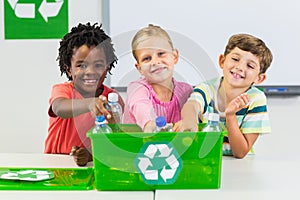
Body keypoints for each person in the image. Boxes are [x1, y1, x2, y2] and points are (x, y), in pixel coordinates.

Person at [174, 33, 273, 158]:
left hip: (239, 166)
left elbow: (240, 152)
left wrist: (230, 116)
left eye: (250, 66)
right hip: (205, 158)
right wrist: (189, 119)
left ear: (259, 78)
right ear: (222, 61)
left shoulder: (256, 99)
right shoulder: (207, 89)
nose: (240, 67)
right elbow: (193, 104)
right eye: (235, 59)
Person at [44, 22, 124, 166]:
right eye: (81, 65)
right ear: (68, 69)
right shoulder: (63, 91)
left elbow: (114, 141)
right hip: (56, 166)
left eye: (98, 65)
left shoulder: (113, 101)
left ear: (107, 68)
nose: (90, 72)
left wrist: (89, 155)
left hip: (94, 166)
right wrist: (90, 103)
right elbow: (59, 107)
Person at [123, 24, 193, 132]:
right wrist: (148, 123)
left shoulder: (186, 91)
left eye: (161, 53)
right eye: (147, 58)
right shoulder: (136, 89)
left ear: (174, 56)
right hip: (138, 148)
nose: (155, 62)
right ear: (139, 68)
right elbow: (140, 105)